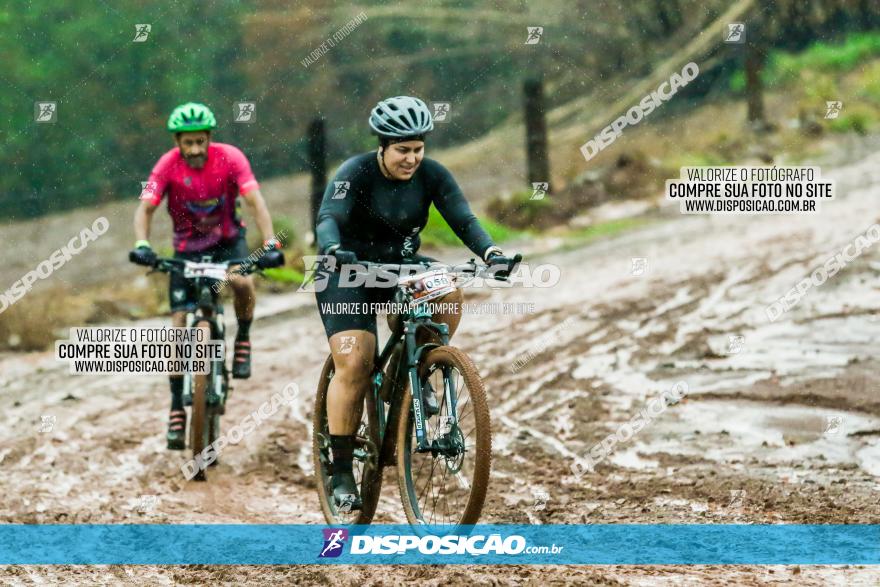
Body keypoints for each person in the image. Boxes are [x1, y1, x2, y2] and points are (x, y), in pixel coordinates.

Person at [314, 95, 519, 508]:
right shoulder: (354, 173)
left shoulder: (433, 175)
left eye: (418, 150)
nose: (411, 159)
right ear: (383, 146)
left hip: (400, 265)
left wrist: (491, 254)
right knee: (355, 361)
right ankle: (339, 471)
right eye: (402, 151)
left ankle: (419, 367)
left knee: (446, 289)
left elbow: (463, 219)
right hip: (346, 271)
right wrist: (333, 248)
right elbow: (328, 217)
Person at [129, 102, 284, 450]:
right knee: (178, 326)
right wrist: (141, 243)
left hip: (230, 242)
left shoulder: (230, 158)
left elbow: (255, 201)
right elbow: (146, 208)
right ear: (178, 142)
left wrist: (270, 242)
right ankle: (175, 408)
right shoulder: (166, 166)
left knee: (243, 281)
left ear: (209, 139)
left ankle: (243, 337)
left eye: (201, 142)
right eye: (189, 143)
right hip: (187, 250)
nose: (196, 150)